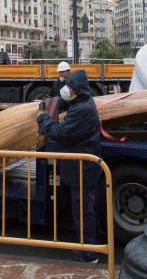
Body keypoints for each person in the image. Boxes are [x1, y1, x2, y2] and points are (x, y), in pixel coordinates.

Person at [37, 69, 102, 263]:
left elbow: (62, 132)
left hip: (82, 169)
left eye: (70, 87)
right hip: (80, 168)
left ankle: (88, 253)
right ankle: (86, 247)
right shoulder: (82, 102)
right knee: (84, 210)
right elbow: (66, 103)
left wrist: (43, 119)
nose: (67, 90)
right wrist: (52, 104)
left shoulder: (83, 110)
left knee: (84, 211)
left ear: (78, 89)